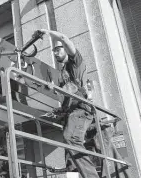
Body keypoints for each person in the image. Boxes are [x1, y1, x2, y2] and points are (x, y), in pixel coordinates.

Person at [38, 29, 99, 178]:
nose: (55, 53)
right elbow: (68, 99)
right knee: (70, 151)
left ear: (65, 49)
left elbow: (64, 38)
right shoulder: (62, 75)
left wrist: (46, 32)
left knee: (71, 138)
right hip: (73, 113)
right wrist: (59, 110)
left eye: (58, 49)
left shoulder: (75, 62)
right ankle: (73, 174)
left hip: (82, 110)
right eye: (54, 50)